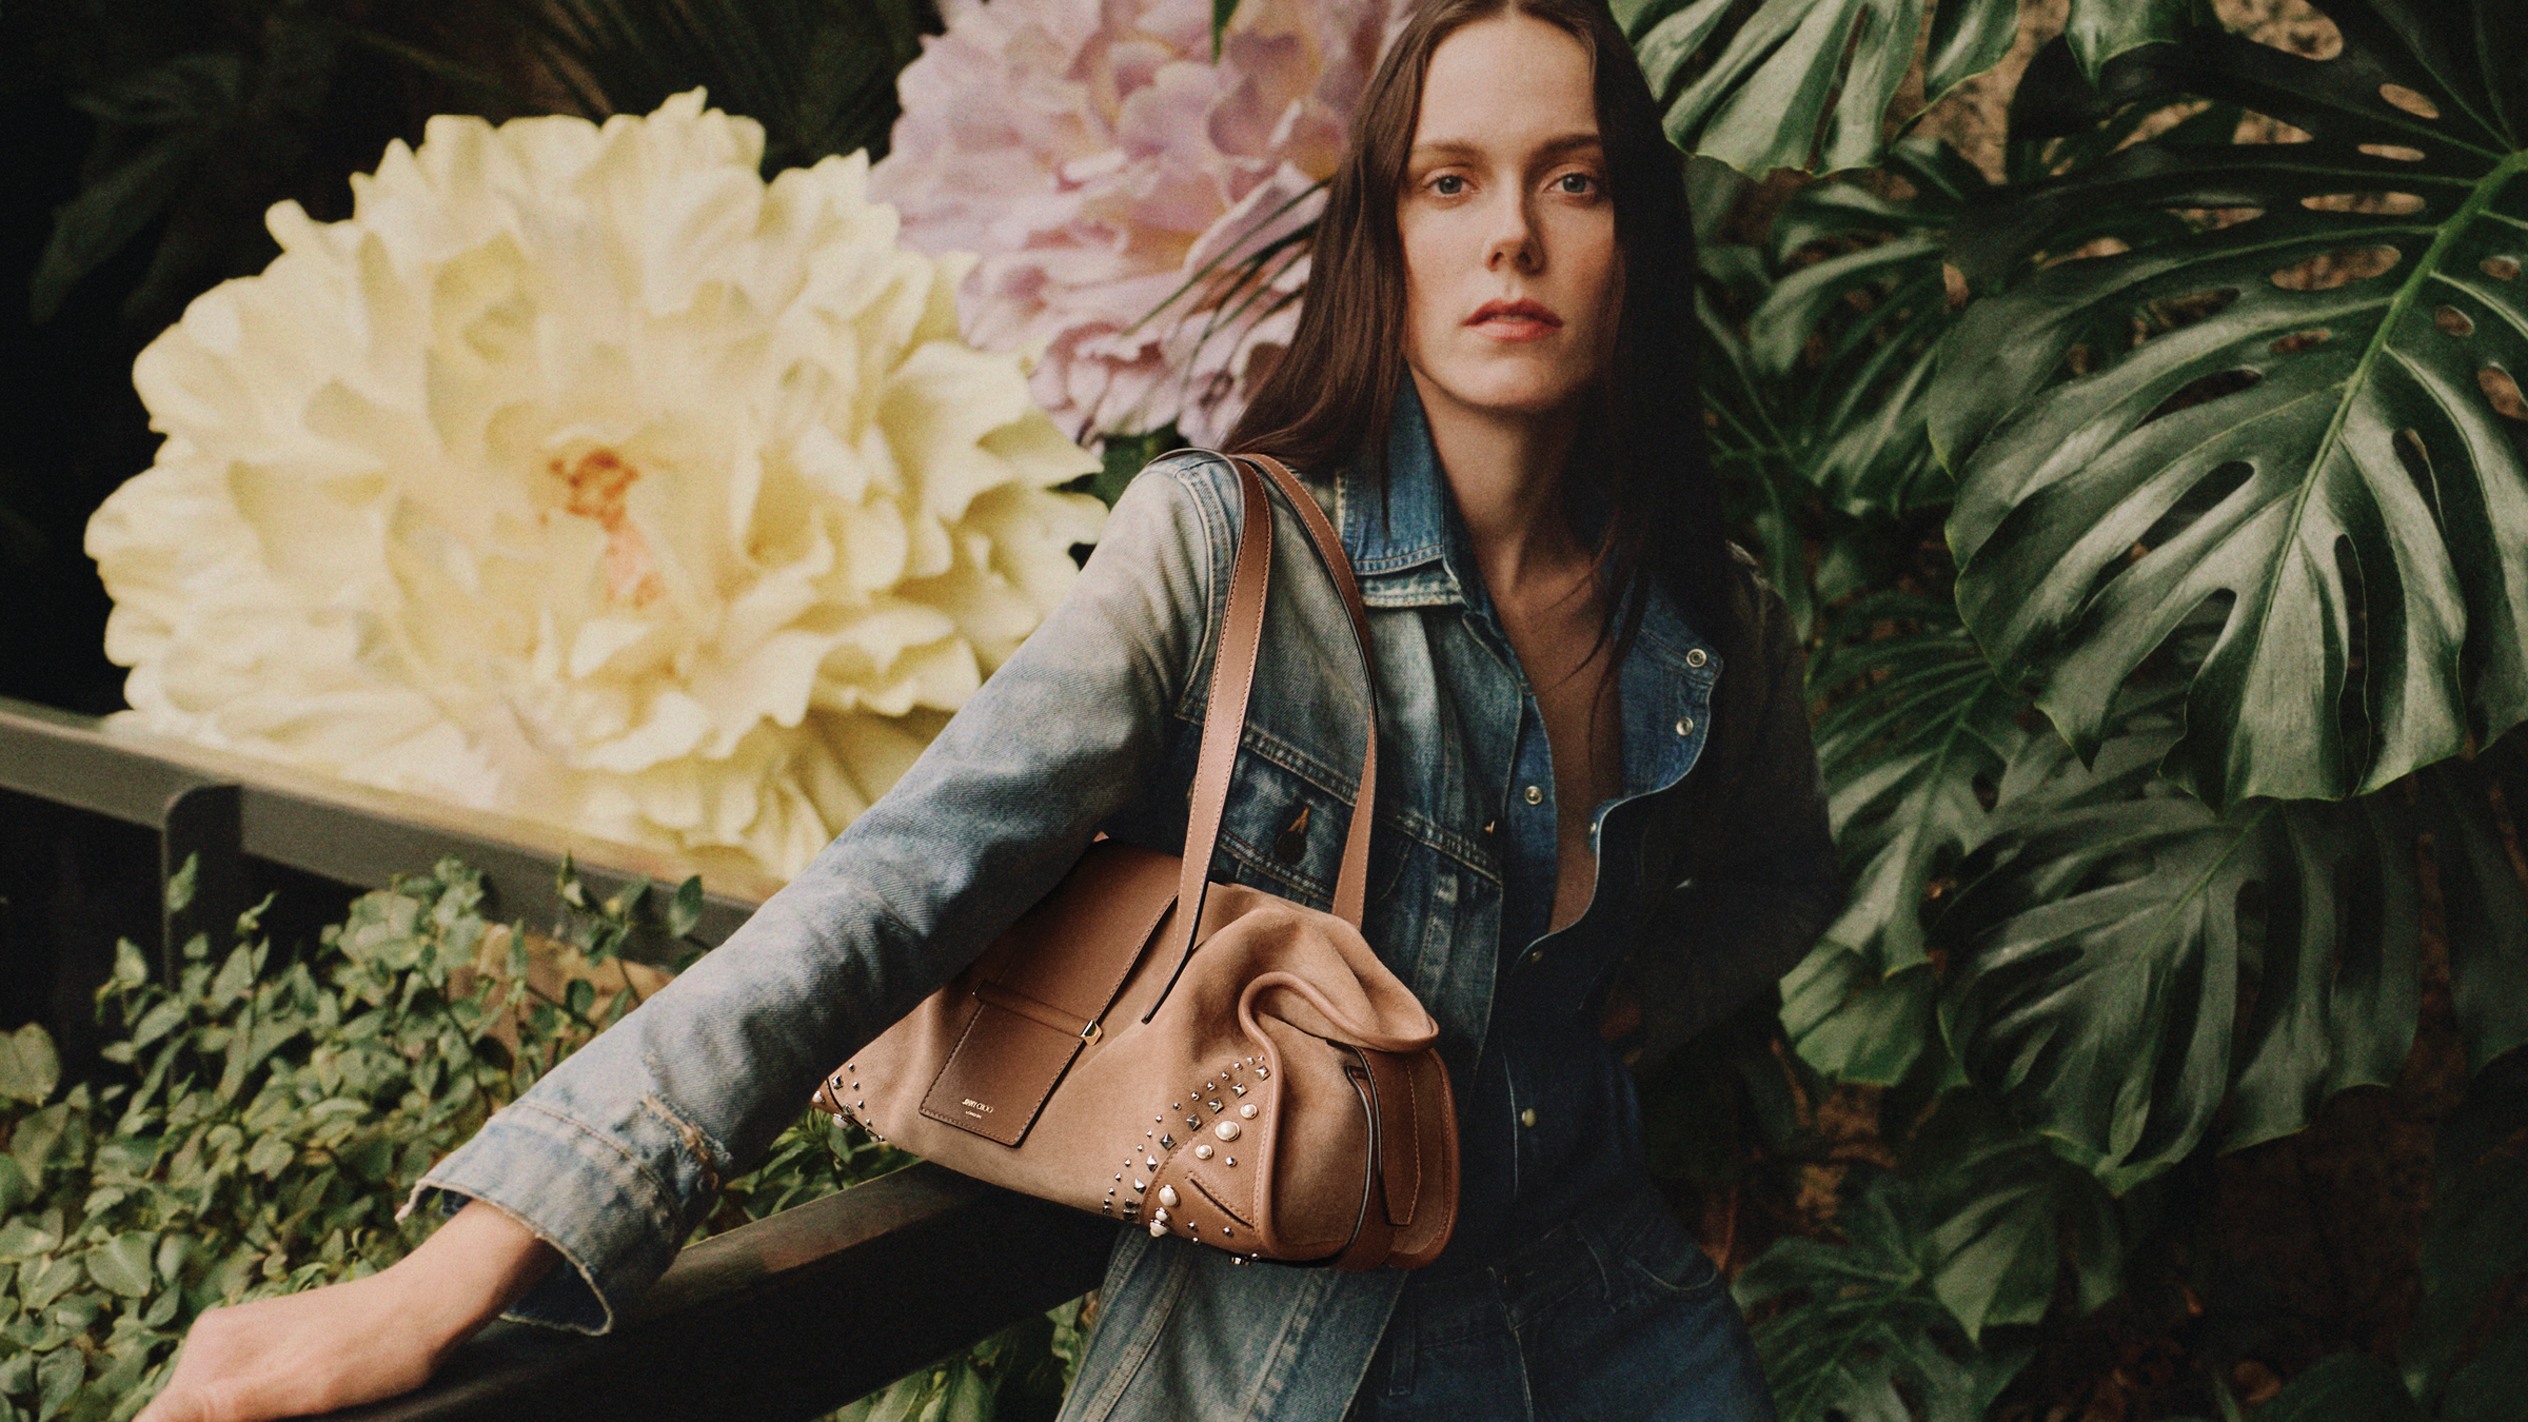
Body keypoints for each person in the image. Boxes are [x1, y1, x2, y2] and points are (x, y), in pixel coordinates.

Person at [136, 2, 1842, 1419]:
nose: (1512, 236)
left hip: (1634, 1324)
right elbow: (889, 892)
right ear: (1382, 239)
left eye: (1573, 179)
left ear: (1634, 238)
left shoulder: (1708, 626)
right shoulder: (1223, 549)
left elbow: (1786, 877)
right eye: (1448, 180)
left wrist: (1631, 1003)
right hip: (1321, 1359)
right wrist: (464, 1266)